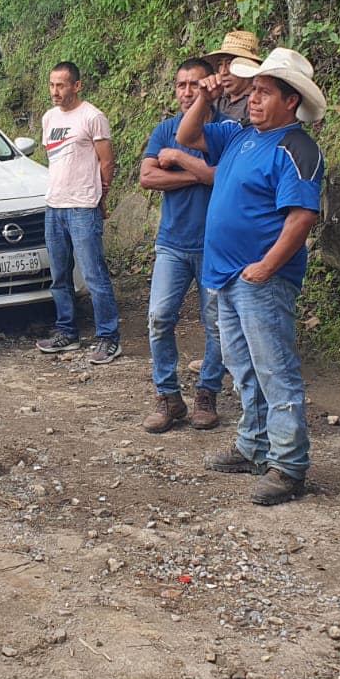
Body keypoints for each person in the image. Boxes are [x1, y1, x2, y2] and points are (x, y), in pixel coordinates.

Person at [177, 47, 325, 506]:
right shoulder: (241, 135)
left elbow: (302, 217)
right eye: (253, 90)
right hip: (224, 276)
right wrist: (205, 96)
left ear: (291, 101)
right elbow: (187, 133)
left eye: (263, 92)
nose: (253, 99)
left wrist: (266, 267)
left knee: (275, 370)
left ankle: (289, 465)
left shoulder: (296, 147)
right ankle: (253, 445)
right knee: (243, 368)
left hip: (261, 280)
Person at [139, 58, 224, 433]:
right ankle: (168, 396)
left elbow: (221, 177)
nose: (186, 92)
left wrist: (176, 161)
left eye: (194, 84)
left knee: (216, 325)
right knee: (159, 319)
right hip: (172, 243)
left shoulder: (225, 131)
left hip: (215, 245)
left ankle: (207, 393)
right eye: (180, 85)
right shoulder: (166, 129)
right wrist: (198, 175)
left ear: (210, 87)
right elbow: (147, 177)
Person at [34, 62, 121, 365]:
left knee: (94, 275)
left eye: (61, 85)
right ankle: (66, 331)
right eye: (51, 85)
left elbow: (106, 162)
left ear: (76, 86)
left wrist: (101, 196)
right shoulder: (49, 118)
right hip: (54, 205)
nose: (55, 91)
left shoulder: (92, 117)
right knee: (59, 276)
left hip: (83, 206)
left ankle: (108, 337)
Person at [205, 30, 263, 126]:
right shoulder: (217, 98)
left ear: (249, 67)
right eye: (220, 64)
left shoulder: (256, 103)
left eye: (230, 63)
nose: (223, 72)